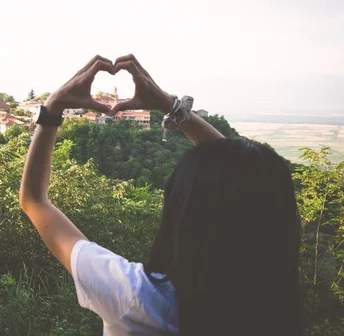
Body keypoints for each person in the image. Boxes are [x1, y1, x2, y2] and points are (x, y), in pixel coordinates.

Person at [19, 55, 302, 336]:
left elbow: (34, 200)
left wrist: (53, 108)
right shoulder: (276, 308)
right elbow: (247, 181)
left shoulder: (136, 299)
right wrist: (173, 107)